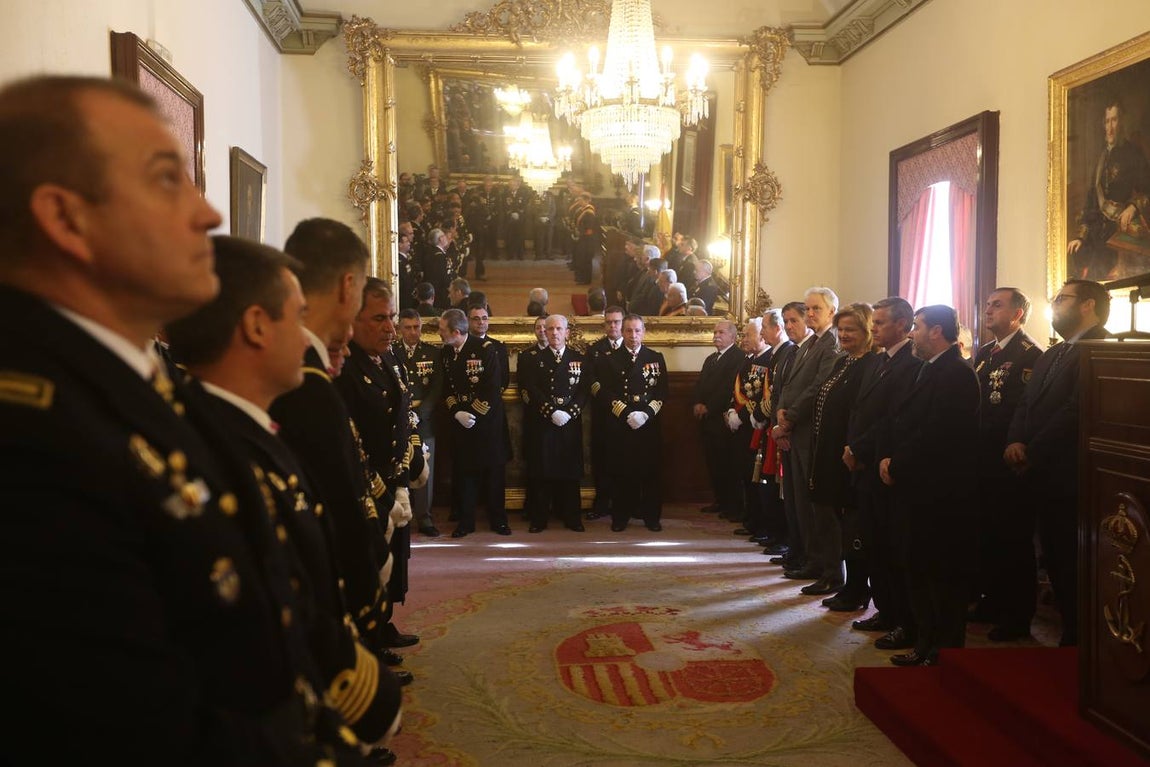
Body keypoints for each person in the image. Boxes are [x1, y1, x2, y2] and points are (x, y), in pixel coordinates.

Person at [0, 75, 364, 763]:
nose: (208, 214)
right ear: (66, 218)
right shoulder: (33, 433)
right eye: (168, 180)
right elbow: (136, 729)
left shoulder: (142, 381)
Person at [165, 236, 404, 752]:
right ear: (255, 326)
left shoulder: (240, 428)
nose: (307, 339)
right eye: (297, 318)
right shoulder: (210, 445)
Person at [270, 218, 419, 656]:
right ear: (347, 288)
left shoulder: (314, 368)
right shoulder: (310, 380)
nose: (388, 326)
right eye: (377, 314)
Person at [1006, 279, 1111, 646]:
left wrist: (1031, 448)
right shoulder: (1053, 353)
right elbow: (1025, 402)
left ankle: (1081, 636)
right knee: (1052, 553)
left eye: (1062, 298)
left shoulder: (1103, 348)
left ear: (1088, 305)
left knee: (1073, 557)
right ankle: (1068, 628)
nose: (1055, 304)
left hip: (1071, 472)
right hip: (1040, 470)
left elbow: (1075, 410)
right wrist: (1015, 439)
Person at [879, 305, 980, 666]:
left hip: (940, 494)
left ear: (936, 331)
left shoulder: (956, 373)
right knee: (919, 568)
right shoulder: (929, 369)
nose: (912, 334)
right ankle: (925, 643)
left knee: (941, 574)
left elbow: (938, 434)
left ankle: (943, 649)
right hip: (917, 487)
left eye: (917, 328)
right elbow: (906, 423)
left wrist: (898, 462)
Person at [335, 279, 429, 651]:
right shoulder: (345, 366)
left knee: (396, 559)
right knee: (371, 559)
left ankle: (384, 620)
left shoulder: (389, 357)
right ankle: (368, 635)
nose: (390, 328)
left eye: (391, 317)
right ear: (353, 320)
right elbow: (351, 437)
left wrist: (410, 464)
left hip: (395, 477)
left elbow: (405, 414)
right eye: (379, 318)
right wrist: (382, 487)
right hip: (367, 483)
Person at [843, 297, 922, 648]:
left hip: (885, 464)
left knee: (892, 547)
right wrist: (852, 447)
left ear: (903, 326)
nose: (873, 328)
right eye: (873, 322)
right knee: (872, 543)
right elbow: (862, 411)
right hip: (864, 463)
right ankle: (885, 609)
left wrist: (859, 448)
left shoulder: (911, 363)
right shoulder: (877, 360)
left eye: (881, 323)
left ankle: (903, 618)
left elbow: (893, 418)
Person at [969, 288, 1043, 641]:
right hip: (980, 461)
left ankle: (1017, 614)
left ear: (1018, 314)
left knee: (1012, 540)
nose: (987, 310)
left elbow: (1026, 410)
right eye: (986, 305)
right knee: (985, 535)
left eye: (996, 305)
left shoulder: (1030, 355)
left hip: (1008, 463)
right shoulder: (984, 353)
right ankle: (992, 599)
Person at [806, 303, 879, 599]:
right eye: (842, 329)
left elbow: (865, 412)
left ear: (867, 331)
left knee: (850, 523)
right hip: (825, 450)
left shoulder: (871, 365)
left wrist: (854, 447)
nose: (845, 334)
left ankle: (854, 585)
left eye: (852, 329)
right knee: (823, 512)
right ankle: (830, 574)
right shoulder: (842, 361)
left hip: (849, 454)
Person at [773, 288, 842, 583]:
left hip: (811, 431)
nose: (810, 313)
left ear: (831, 312)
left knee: (818, 505)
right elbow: (788, 385)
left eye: (816, 308)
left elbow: (819, 386)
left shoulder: (831, 343)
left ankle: (829, 569)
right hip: (795, 429)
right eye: (808, 308)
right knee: (800, 501)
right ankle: (813, 561)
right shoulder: (809, 343)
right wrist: (781, 412)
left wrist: (790, 416)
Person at [439, 308, 513, 537]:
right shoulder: (447, 353)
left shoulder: (485, 350)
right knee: (465, 475)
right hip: (462, 423)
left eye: (442, 330)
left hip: (487, 424)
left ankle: (498, 520)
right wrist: (456, 412)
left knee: (493, 476)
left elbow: (492, 388)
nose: (440, 334)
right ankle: (466, 522)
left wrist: (473, 414)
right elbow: (447, 388)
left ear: (455, 331)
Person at [599, 314, 669, 531]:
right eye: (628, 330)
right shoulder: (609, 358)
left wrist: (646, 414)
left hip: (648, 423)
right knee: (622, 472)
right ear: (622, 332)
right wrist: (626, 413)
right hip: (622, 423)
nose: (633, 335)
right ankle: (620, 517)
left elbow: (662, 391)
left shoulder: (655, 357)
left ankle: (652, 517)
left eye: (637, 330)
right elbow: (605, 392)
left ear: (644, 332)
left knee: (650, 472)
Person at [1067, 98, 1150, 281]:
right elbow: (1091, 203)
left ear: (1122, 122)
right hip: (1097, 230)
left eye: (1114, 120)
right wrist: (1080, 237)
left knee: (1100, 268)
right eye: (1107, 121)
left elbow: (1147, 191)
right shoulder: (1100, 158)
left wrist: (1132, 207)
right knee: (1074, 256)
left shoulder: (1133, 154)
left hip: (1119, 229)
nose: (1110, 127)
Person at [521, 314, 589, 532]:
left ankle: (572, 518)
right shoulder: (534, 359)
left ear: (567, 332)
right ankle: (539, 519)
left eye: (559, 329)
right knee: (543, 471)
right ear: (544, 332)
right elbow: (532, 389)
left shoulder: (579, 358)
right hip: (545, 422)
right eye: (550, 329)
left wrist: (570, 412)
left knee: (570, 471)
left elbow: (584, 390)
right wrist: (551, 412)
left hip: (570, 421)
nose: (554, 333)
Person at [767, 302, 813, 571]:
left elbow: (811, 390)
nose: (789, 326)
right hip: (784, 431)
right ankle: (796, 550)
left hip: (799, 432)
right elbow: (779, 392)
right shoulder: (790, 353)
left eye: (794, 320)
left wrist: (787, 424)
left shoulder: (816, 349)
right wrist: (776, 425)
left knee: (803, 502)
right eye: (786, 321)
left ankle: (806, 554)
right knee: (792, 500)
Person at [396, 308, 444, 537]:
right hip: (398, 420)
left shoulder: (432, 353)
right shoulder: (391, 352)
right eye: (408, 327)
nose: (413, 332)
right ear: (399, 329)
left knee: (426, 470)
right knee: (399, 467)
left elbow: (436, 389)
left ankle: (424, 517)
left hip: (424, 421)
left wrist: (421, 412)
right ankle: (400, 513)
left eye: (417, 327)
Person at [725, 317, 773, 532]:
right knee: (744, 473)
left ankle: (759, 521)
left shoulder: (769, 360)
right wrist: (730, 411)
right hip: (741, 427)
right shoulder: (747, 360)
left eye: (748, 334)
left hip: (756, 426)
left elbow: (762, 396)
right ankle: (750, 516)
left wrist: (741, 416)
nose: (744, 339)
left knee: (756, 477)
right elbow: (738, 391)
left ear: (762, 336)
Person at [693, 320, 743, 517]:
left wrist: (709, 407)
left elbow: (728, 388)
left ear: (733, 336)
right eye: (715, 332)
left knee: (727, 465)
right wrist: (696, 402)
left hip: (722, 420)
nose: (716, 335)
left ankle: (732, 505)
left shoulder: (737, 357)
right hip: (707, 421)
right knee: (714, 464)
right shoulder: (711, 359)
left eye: (721, 332)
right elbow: (699, 384)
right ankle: (720, 500)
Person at [587, 306, 625, 521]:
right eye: (609, 322)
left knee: (626, 459)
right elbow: (592, 382)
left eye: (617, 322)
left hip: (628, 416)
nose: (613, 326)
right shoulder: (595, 350)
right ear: (604, 325)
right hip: (603, 413)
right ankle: (602, 503)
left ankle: (625, 503)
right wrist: (612, 403)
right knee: (601, 459)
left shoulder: (632, 347)